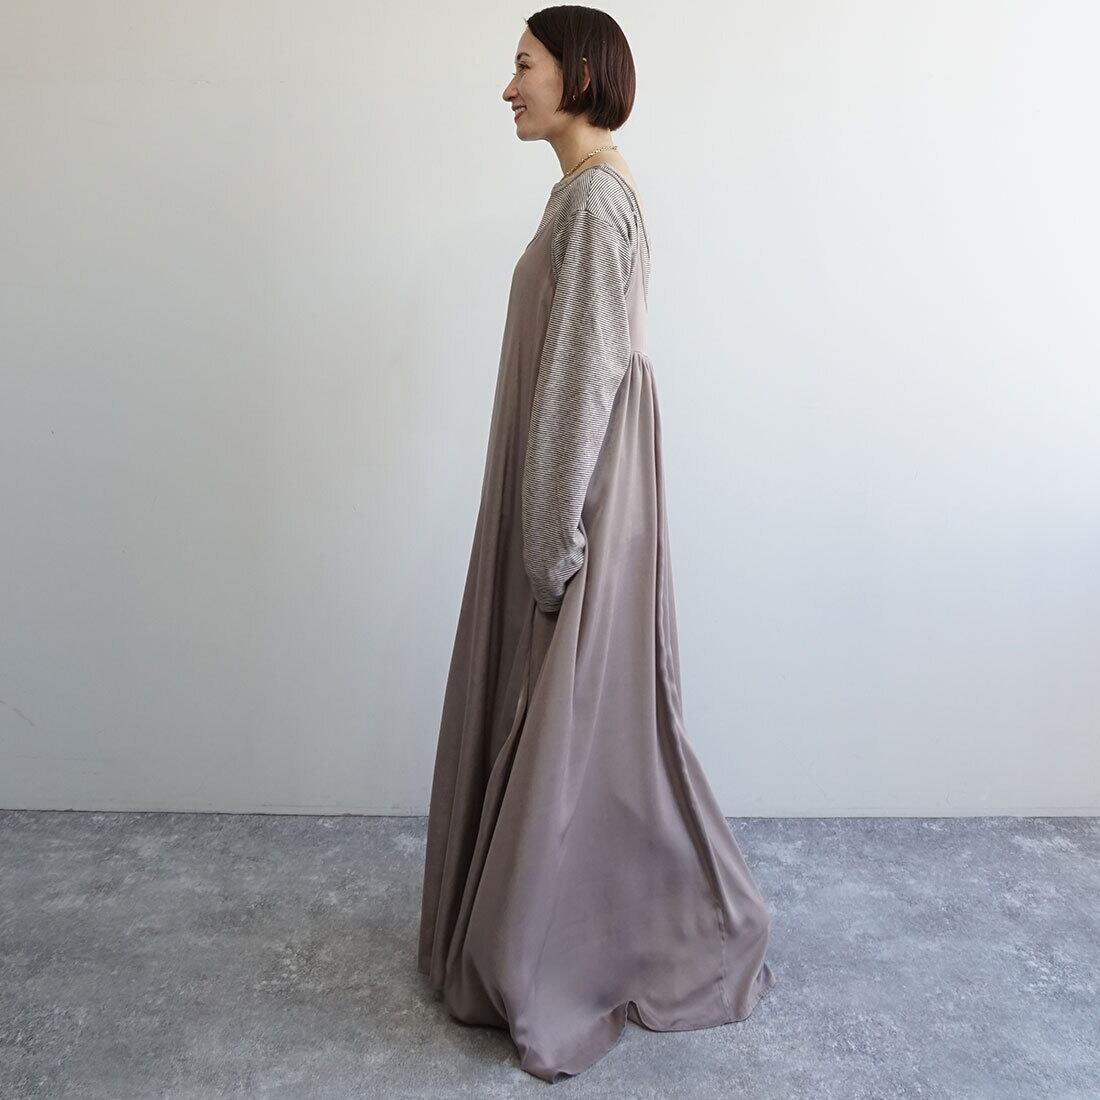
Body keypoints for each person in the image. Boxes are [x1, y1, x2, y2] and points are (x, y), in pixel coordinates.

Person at [417, 6, 777, 1083]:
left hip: (577, 500)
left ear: (576, 73)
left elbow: (582, 381)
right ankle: (584, 915)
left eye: (522, 65)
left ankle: (622, 932)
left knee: (585, 726)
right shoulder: (587, 193)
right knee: (593, 729)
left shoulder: (591, 202)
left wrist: (549, 545)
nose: (507, 87)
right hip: (586, 490)